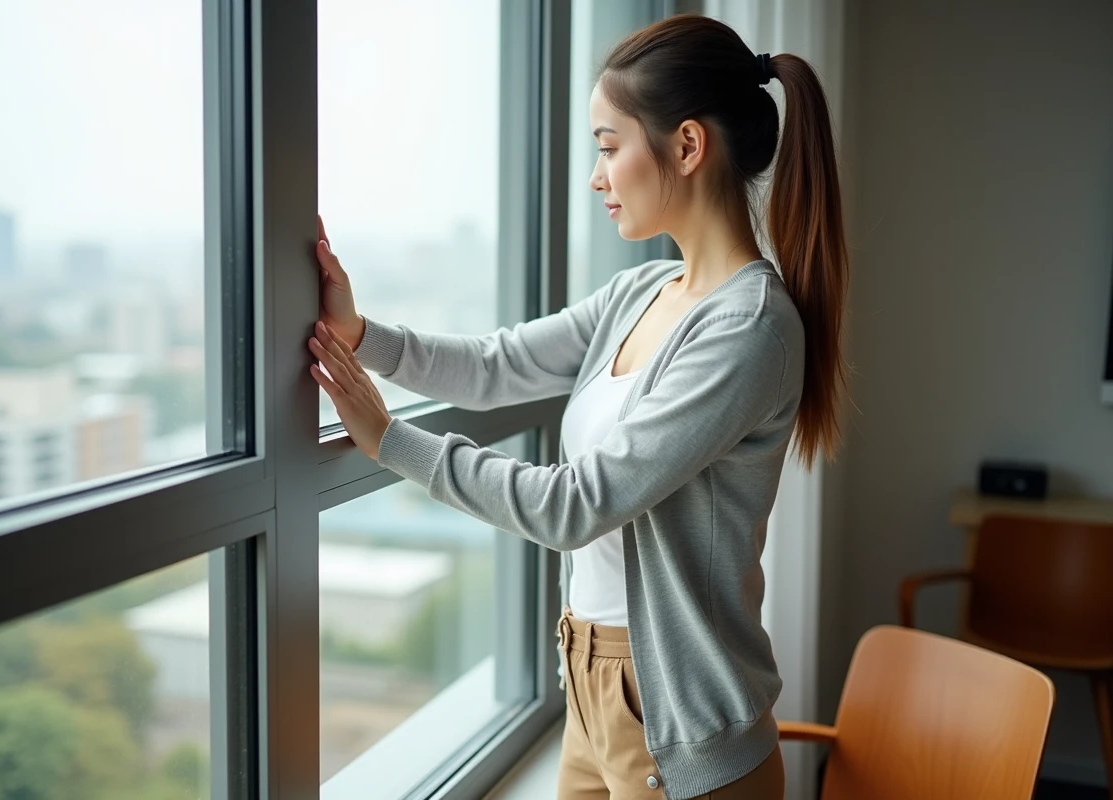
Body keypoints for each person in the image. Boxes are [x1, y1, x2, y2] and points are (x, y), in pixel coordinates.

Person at [307, 12, 847, 800]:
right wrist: (363, 336)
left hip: (676, 723)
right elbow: (499, 364)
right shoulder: (642, 291)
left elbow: (577, 505)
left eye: (608, 145)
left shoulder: (748, 330)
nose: (597, 177)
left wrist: (392, 441)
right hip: (590, 689)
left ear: (688, 146)